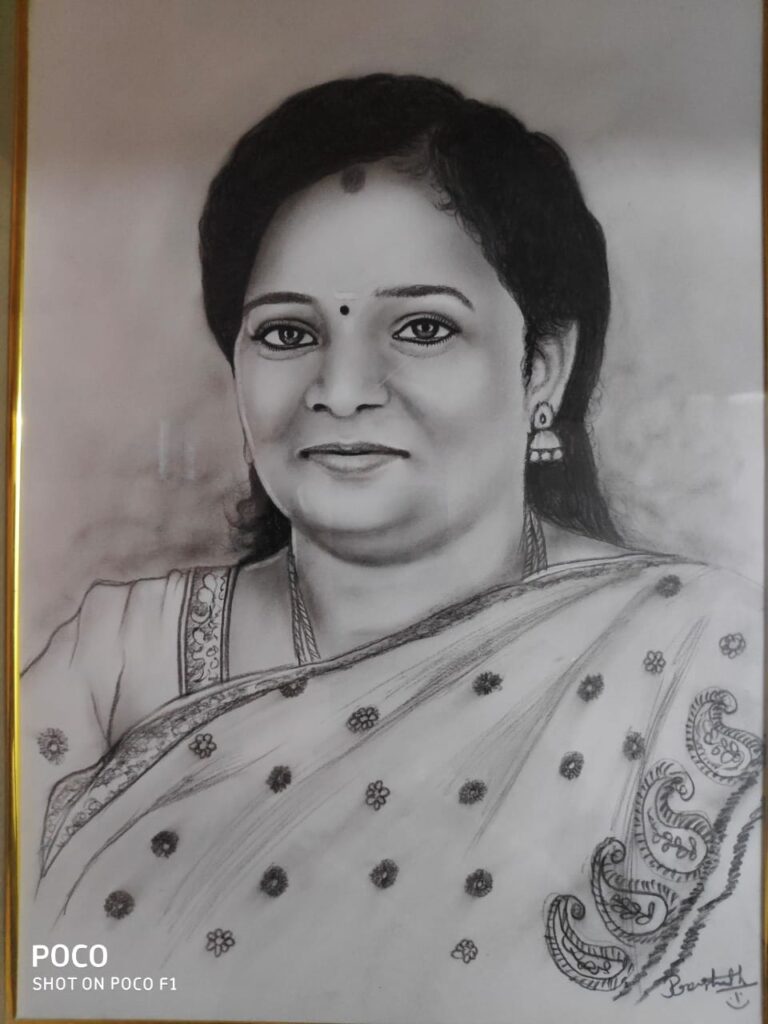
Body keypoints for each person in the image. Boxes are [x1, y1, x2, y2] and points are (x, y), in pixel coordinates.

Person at [20, 75, 762, 1023]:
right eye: (287, 332)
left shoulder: (706, 653)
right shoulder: (117, 661)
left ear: (543, 367)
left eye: (421, 328)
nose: (341, 389)